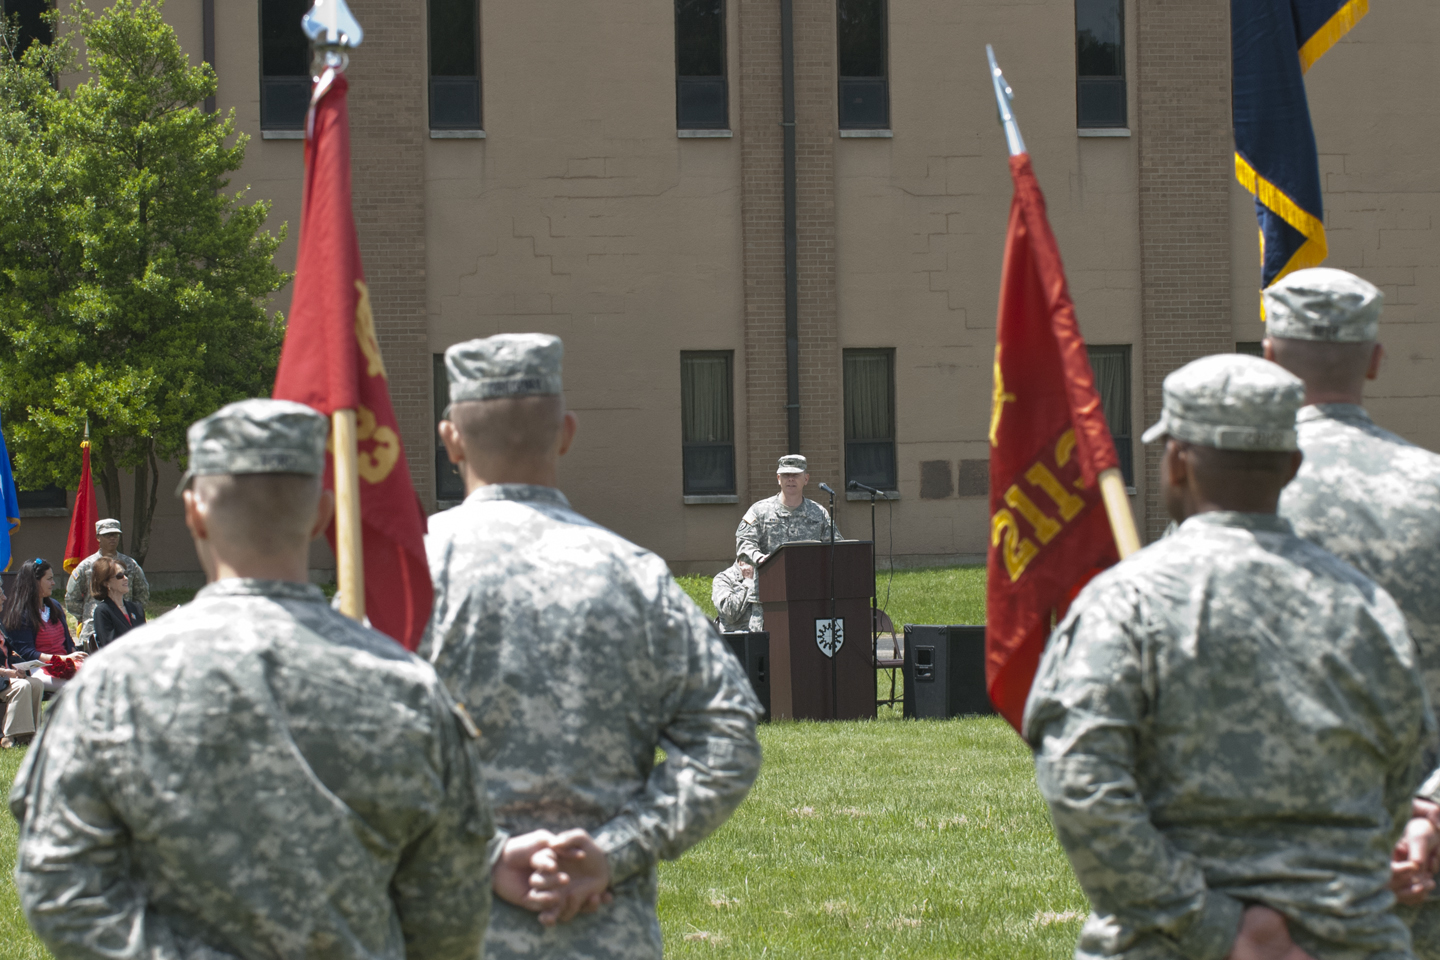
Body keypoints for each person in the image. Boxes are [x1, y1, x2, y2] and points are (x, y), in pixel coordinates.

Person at [10, 398, 503, 960]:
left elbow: (59, 883)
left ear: (194, 511)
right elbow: (455, 912)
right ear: (321, 514)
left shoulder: (112, 688)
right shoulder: (408, 689)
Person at [1025, 354, 1435, 960]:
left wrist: (1217, 927)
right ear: (1292, 466)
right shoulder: (1367, 609)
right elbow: (1404, 777)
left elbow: (1082, 780)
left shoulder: (1124, 604)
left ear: (1177, 461)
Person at [423, 333, 763, 960]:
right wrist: (615, 850)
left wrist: (483, 855)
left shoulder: (406, 582)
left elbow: (345, 761)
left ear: (451, 439)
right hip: (604, 935)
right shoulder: (634, 577)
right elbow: (729, 737)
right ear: (567, 434)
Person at [1262, 267, 1440, 946]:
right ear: (1375, 359)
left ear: (1272, 357)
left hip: (1271, 884)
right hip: (1419, 871)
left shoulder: (1223, 501)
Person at [735, 454, 841, 568]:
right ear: (778, 479)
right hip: (769, 578)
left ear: (806, 479)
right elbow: (744, 543)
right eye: (786, 475)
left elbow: (837, 547)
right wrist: (758, 557)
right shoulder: (759, 511)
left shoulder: (819, 513)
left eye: (795, 475)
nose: (791, 479)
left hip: (809, 578)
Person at [3, 557, 85, 692]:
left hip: (66, 663)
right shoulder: (21, 614)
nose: (53, 583)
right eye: (49, 579)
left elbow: (69, 643)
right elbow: (28, 653)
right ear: (34, 582)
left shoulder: (55, 607)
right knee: (77, 688)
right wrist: (63, 658)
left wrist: (77, 657)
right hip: (39, 669)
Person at [63, 517, 150, 628]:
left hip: (125, 623)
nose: (112, 538)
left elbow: (142, 593)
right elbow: (71, 597)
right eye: (107, 535)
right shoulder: (86, 566)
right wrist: (86, 615)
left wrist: (132, 613)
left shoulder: (130, 564)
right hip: (94, 626)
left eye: (115, 535)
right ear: (98, 537)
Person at [0, 581, 44, 749]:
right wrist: (8, 673)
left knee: (36, 684)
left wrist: (19, 665)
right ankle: (8, 736)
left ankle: (30, 735)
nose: (5, 598)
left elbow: (8, 653)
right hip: (3, 677)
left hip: (6, 676)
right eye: (0, 594)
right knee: (22, 686)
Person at [89, 555, 146, 648]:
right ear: (106, 583)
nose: (126, 578)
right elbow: (110, 646)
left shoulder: (136, 608)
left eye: (126, 574)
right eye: (120, 576)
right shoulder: (103, 611)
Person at [711, 556, 763, 633]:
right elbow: (729, 613)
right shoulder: (723, 579)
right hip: (738, 642)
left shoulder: (767, 575)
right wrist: (748, 581)